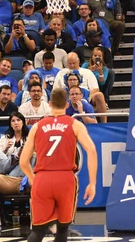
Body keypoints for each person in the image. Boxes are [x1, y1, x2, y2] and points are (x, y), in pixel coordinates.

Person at [20, 88, 97, 242]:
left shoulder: (37, 126)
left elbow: (23, 161)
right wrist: (92, 183)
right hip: (65, 179)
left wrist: (32, 178)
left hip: (42, 179)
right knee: (62, 229)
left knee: (38, 231)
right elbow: (92, 151)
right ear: (67, 104)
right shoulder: (75, 124)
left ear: (49, 104)